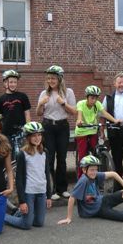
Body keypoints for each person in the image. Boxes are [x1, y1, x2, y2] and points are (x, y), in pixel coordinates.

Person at [57, 155, 123, 224]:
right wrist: (68, 218)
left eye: (95, 169)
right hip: (97, 210)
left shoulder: (95, 175)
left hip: (103, 200)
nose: (94, 172)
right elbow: (72, 198)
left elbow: (114, 174)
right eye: (91, 170)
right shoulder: (83, 181)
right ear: (84, 170)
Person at [36, 65, 77, 200]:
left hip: (62, 126)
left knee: (62, 158)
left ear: (60, 79)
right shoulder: (44, 93)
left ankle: (62, 189)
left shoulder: (68, 92)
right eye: (48, 78)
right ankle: (51, 190)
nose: (50, 81)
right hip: (48, 126)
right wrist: (40, 104)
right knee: (49, 158)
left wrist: (63, 103)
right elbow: (38, 113)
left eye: (53, 78)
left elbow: (74, 112)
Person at [4, 122, 52, 230]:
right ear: (28, 137)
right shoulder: (22, 154)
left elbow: (46, 174)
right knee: (26, 224)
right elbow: (19, 179)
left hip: (41, 191)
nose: (37, 138)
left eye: (39, 135)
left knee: (39, 223)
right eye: (34, 135)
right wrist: (22, 201)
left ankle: (20, 214)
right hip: (29, 192)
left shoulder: (45, 152)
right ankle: (3, 217)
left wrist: (48, 196)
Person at [74, 85, 121, 180]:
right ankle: (80, 179)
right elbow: (79, 114)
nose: (94, 100)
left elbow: (104, 113)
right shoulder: (81, 104)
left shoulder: (98, 104)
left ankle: (95, 173)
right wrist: (79, 121)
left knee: (96, 151)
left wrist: (115, 120)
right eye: (92, 98)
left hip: (93, 130)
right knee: (83, 156)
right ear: (87, 97)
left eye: (95, 98)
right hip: (82, 131)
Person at [0, 70, 31, 152]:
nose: (13, 84)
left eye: (15, 82)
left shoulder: (22, 96)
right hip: (6, 132)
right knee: (8, 155)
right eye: (11, 82)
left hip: (21, 131)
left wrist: (28, 129)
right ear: (5, 83)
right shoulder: (0, 99)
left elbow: (27, 114)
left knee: (22, 155)